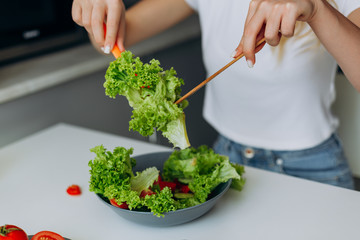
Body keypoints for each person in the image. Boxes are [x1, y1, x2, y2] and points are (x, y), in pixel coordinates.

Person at [72, 0, 360, 189]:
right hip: (226, 160)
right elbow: (111, 39)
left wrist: (319, 10)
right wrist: (99, 13)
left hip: (311, 167)